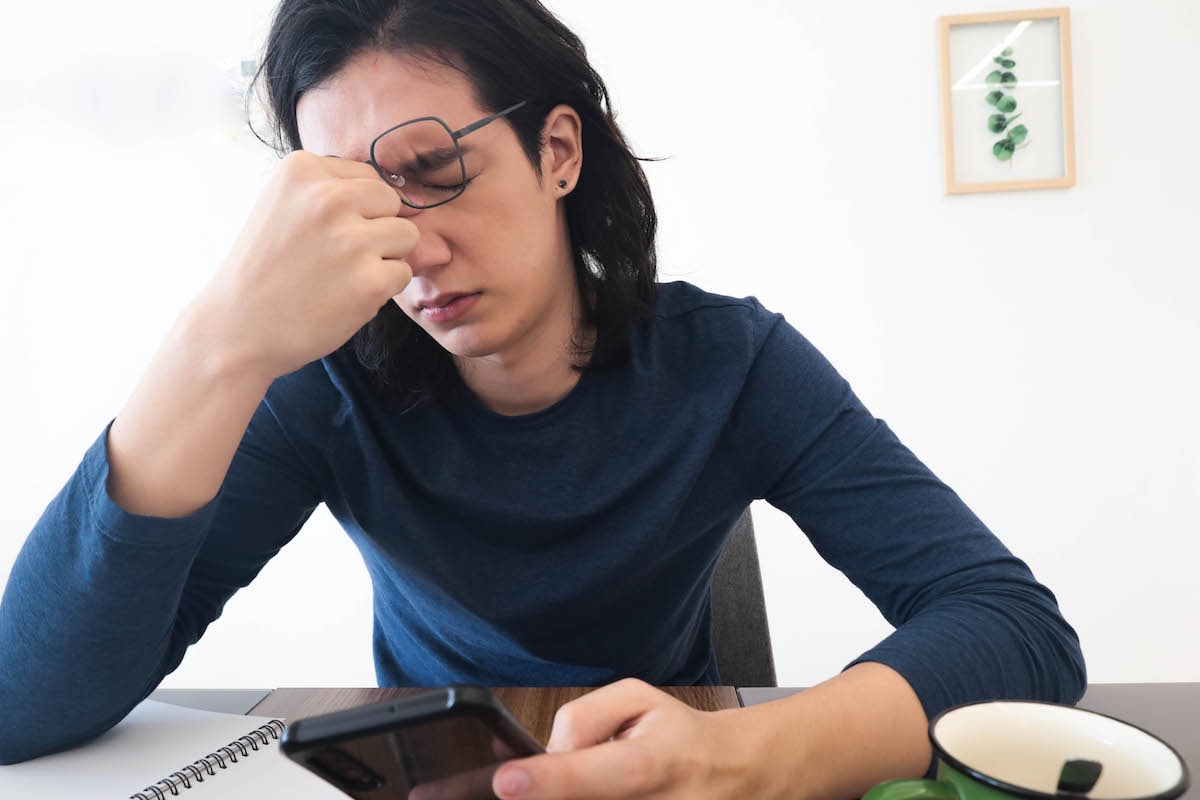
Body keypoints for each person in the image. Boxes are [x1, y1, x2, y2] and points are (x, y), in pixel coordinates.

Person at [0, 0, 1085, 797]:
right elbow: (23, 705)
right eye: (355, 200)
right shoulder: (323, 389)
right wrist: (218, 338)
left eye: (433, 168)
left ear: (556, 150)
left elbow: (1012, 626)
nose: (408, 247)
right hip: (435, 775)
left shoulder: (733, 363)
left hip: (673, 762)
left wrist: (743, 754)